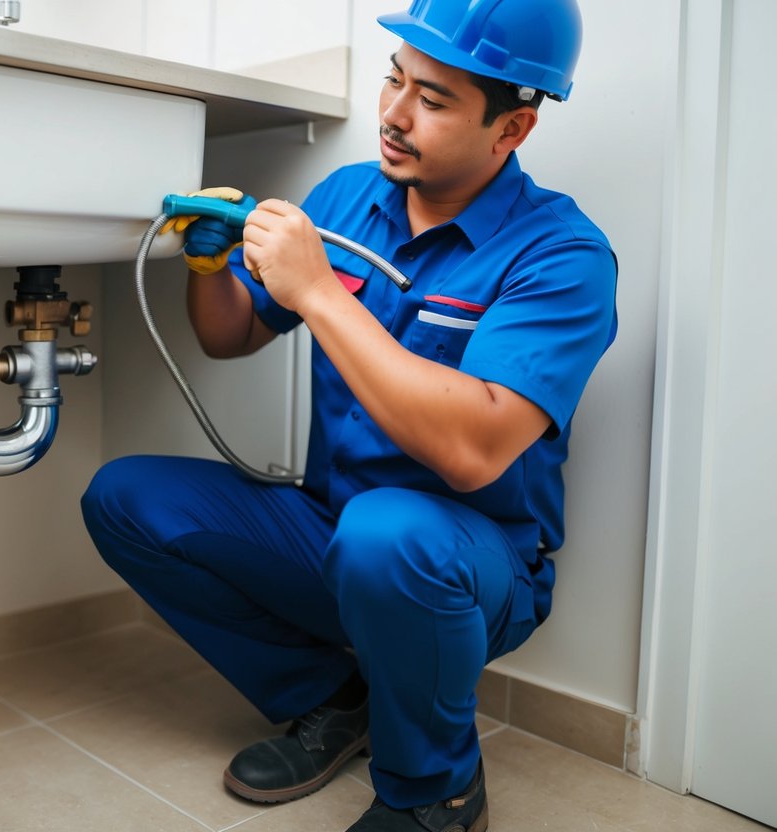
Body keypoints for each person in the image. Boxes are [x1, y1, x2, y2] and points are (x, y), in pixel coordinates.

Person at [80, 0, 617, 829]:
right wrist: (208, 263)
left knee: (387, 532)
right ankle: (336, 698)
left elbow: (472, 453)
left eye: (433, 101)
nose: (394, 115)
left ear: (510, 130)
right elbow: (228, 337)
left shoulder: (561, 257)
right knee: (125, 497)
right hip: (331, 537)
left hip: (468, 571)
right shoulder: (346, 198)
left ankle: (434, 788)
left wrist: (320, 290)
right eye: (393, 81)